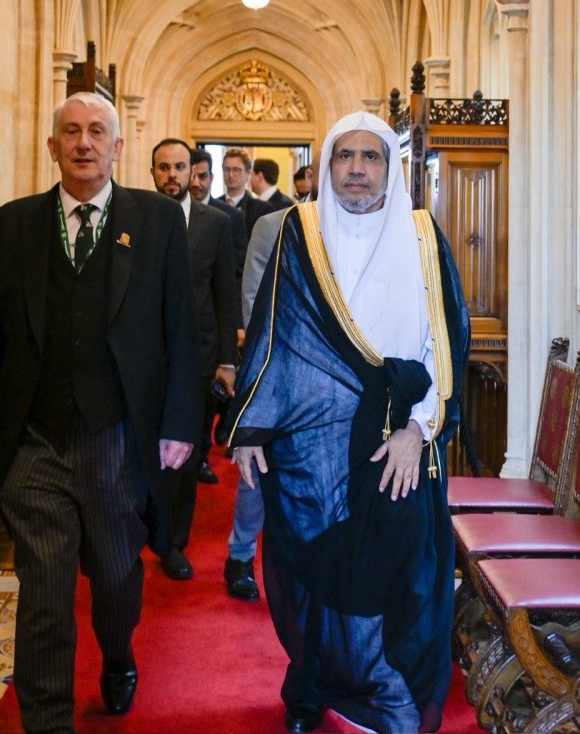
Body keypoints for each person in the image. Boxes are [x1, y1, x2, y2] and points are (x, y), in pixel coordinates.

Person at [0, 92, 200, 729]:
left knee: (117, 577)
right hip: (34, 439)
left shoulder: (156, 221)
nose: (83, 143)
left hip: (117, 437)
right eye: (71, 132)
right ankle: (49, 720)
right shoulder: (10, 228)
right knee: (43, 590)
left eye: (97, 131)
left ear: (118, 147)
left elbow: (183, 329)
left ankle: (118, 654)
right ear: (52, 146)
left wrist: (181, 424)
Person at [226, 111, 470, 733]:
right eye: (344, 156)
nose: (357, 169)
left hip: (397, 443)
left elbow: (445, 344)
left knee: (394, 573)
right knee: (316, 573)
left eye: (371, 157)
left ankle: (388, 692)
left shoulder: (422, 236)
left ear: (390, 167)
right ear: (328, 165)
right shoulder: (300, 231)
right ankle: (311, 682)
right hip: (313, 446)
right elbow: (274, 331)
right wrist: (252, 425)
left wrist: (419, 430)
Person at [149, 138, 240, 578]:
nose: (172, 175)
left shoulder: (216, 224)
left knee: (184, 458)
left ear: (192, 172)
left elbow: (225, 294)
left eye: (179, 167)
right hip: (145, 359)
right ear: (152, 173)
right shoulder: (137, 217)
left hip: (197, 359)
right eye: (164, 167)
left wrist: (227, 361)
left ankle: (172, 543)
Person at [222, 207, 283, 602]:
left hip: (337, 381)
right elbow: (253, 304)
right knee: (257, 468)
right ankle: (240, 555)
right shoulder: (272, 225)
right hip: (271, 371)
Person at [189, 147, 246, 280]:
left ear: (212, 178)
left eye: (202, 176)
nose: (195, 183)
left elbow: (238, 271)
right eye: (191, 176)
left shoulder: (231, 217)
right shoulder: (173, 211)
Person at [221, 148, 275, 237]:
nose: (230, 175)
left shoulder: (262, 209)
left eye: (236, 170)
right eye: (227, 169)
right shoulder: (212, 205)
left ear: (248, 173)